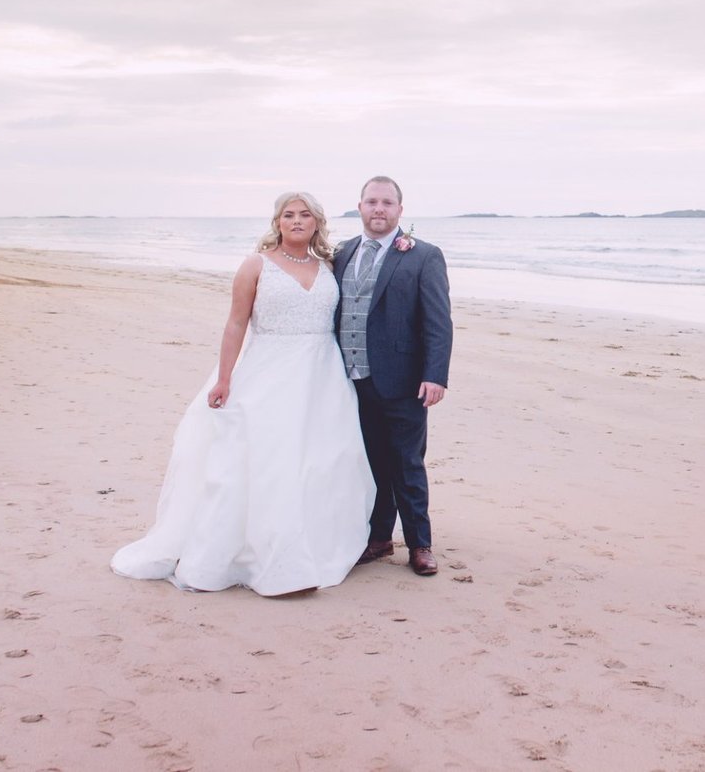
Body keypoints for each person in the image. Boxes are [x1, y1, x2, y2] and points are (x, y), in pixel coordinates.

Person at [111, 192, 376, 596]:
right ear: (277, 222)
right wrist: (224, 378)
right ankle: (266, 557)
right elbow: (236, 324)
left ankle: (314, 544)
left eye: (305, 215)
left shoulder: (329, 267)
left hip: (322, 377)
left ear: (317, 223)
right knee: (269, 461)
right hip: (268, 372)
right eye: (288, 215)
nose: (297, 221)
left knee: (320, 460)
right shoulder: (256, 265)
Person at [334, 175, 453, 577]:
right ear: (360, 207)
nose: (379, 209)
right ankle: (379, 537)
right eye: (371, 202)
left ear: (400, 210)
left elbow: (438, 323)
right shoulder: (341, 253)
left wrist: (435, 375)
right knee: (369, 463)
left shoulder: (424, 255)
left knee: (406, 463)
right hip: (351, 381)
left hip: (403, 381)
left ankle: (420, 543)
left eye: (387, 202)